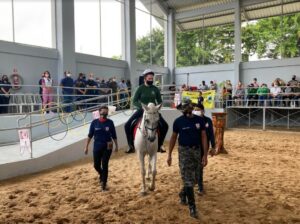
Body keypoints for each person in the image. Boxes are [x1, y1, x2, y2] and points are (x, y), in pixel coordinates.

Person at [167, 101, 208, 219]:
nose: (188, 110)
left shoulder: (200, 120)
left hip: (197, 151)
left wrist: (205, 155)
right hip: (184, 152)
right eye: (186, 108)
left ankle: (182, 193)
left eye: (190, 108)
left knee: (195, 179)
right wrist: (169, 154)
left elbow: (204, 137)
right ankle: (192, 207)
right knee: (188, 180)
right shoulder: (178, 122)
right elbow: (173, 138)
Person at [124, 69, 169, 153]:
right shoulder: (140, 88)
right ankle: (130, 145)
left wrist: (156, 107)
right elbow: (134, 101)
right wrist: (142, 107)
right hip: (141, 110)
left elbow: (159, 101)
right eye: (149, 79)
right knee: (127, 125)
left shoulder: (155, 89)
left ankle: (160, 145)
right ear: (145, 78)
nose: (151, 80)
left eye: (152, 79)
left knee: (165, 126)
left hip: (153, 111)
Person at [84, 106, 118, 191]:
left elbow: (114, 135)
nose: (105, 114)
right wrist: (86, 147)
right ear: (99, 112)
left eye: (106, 113)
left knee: (105, 164)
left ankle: (104, 184)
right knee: (96, 165)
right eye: (103, 113)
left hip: (108, 146)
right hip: (97, 146)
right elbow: (90, 135)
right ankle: (102, 174)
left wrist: (117, 146)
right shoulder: (94, 122)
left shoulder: (110, 122)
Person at [193, 104, 215, 195]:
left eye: (198, 109)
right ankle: (195, 180)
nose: (197, 111)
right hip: (193, 146)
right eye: (195, 109)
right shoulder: (192, 120)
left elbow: (211, 134)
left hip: (203, 147)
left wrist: (213, 147)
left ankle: (200, 187)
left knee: (200, 167)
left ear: (203, 111)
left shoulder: (208, 121)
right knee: (194, 166)